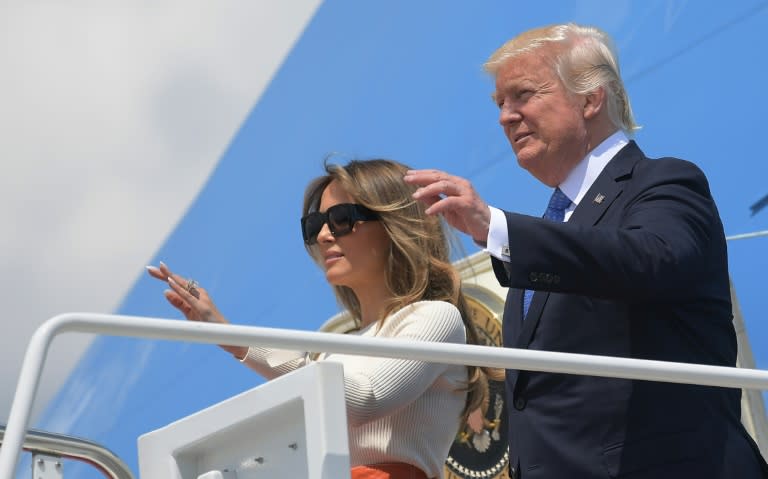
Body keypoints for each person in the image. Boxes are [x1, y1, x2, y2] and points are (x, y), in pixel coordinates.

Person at [404, 23, 768, 479]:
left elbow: (649, 259)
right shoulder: (555, 229)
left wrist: (496, 227)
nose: (505, 116)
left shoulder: (664, 182)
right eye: (500, 103)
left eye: (523, 95)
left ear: (591, 99)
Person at [147, 158, 491, 479]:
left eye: (342, 219)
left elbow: (364, 399)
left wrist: (235, 339)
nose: (325, 235)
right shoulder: (333, 353)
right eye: (316, 225)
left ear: (393, 224)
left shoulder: (436, 317)